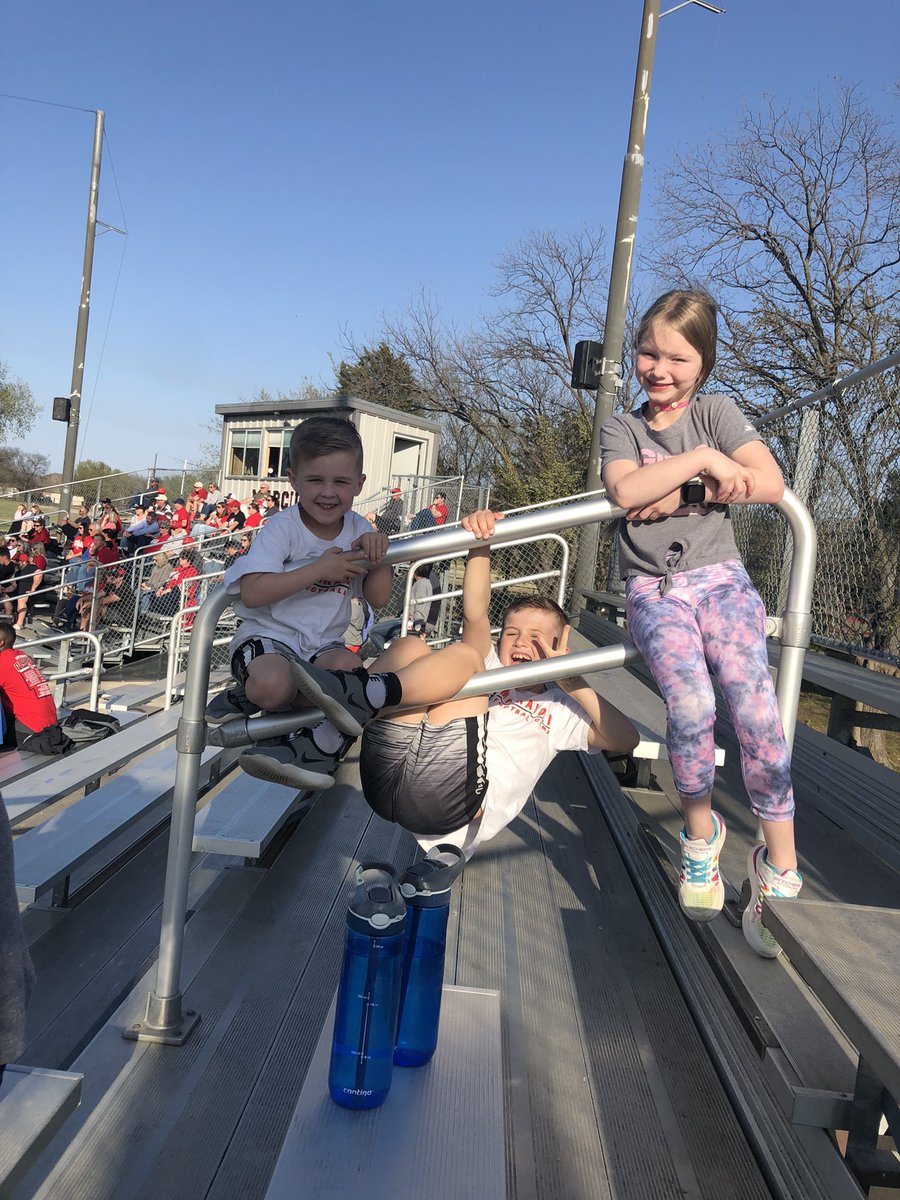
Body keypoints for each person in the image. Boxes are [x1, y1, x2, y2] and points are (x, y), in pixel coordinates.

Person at [239, 509, 638, 859]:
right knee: (412, 645)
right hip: (387, 781)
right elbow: (476, 610)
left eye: (536, 636)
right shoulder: (492, 661)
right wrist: (479, 540)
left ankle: (355, 704)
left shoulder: (557, 707)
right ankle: (332, 735)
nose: (520, 642)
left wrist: (573, 680)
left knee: (466, 661)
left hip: (452, 808)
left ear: (560, 644)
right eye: (512, 632)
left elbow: (625, 740)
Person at [599, 288, 802, 959]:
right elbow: (627, 492)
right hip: (654, 589)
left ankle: (778, 866)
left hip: (720, 580)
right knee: (690, 704)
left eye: (677, 358)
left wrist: (683, 488)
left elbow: (768, 482)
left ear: (703, 364)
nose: (659, 368)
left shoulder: (716, 411)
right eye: (648, 353)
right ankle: (700, 837)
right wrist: (712, 465)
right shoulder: (623, 428)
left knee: (755, 709)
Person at [211, 415, 393, 779]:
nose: (328, 492)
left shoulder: (360, 529)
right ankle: (255, 696)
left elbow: (380, 598)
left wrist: (380, 559)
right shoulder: (283, 527)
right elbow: (252, 591)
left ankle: (295, 740)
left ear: (359, 484)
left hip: (323, 644)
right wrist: (316, 570)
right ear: (294, 480)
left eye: (340, 482)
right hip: (272, 637)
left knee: (353, 674)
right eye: (315, 480)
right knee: (276, 686)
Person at [0, 622, 59, 748]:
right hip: (48, 725)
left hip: (30, 730)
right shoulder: (21, 656)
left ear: (1, 642)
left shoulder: (2, 662)